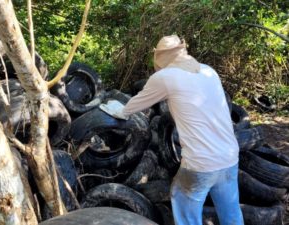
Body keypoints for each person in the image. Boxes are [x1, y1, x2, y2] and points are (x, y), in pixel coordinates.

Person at [100, 35, 244, 225]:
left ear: (161, 57)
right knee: (232, 214)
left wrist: (118, 109)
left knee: (185, 210)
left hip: (200, 163)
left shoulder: (165, 77)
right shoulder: (209, 71)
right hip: (230, 156)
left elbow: (134, 106)